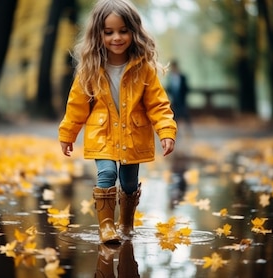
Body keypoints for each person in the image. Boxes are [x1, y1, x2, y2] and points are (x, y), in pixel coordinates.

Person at [58, 0, 177, 244]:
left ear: (134, 32)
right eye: (109, 32)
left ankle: (126, 224)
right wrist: (68, 134)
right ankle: (106, 227)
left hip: (133, 135)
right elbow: (77, 105)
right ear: (98, 34)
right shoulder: (90, 68)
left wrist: (166, 131)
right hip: (102, 134)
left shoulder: (143, 69)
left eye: (123, 30)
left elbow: (158, 104)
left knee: (129, 182)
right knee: (107, 173)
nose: (117, 37)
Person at [166, 60, 192, 133]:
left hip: (182, 101)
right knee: (174, 117)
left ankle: (189, 131)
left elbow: (186, 88)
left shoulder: (182, 77)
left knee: (186, 116)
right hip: (174, 100)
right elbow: (169, 89)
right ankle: (175, 131)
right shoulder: (170, 77)